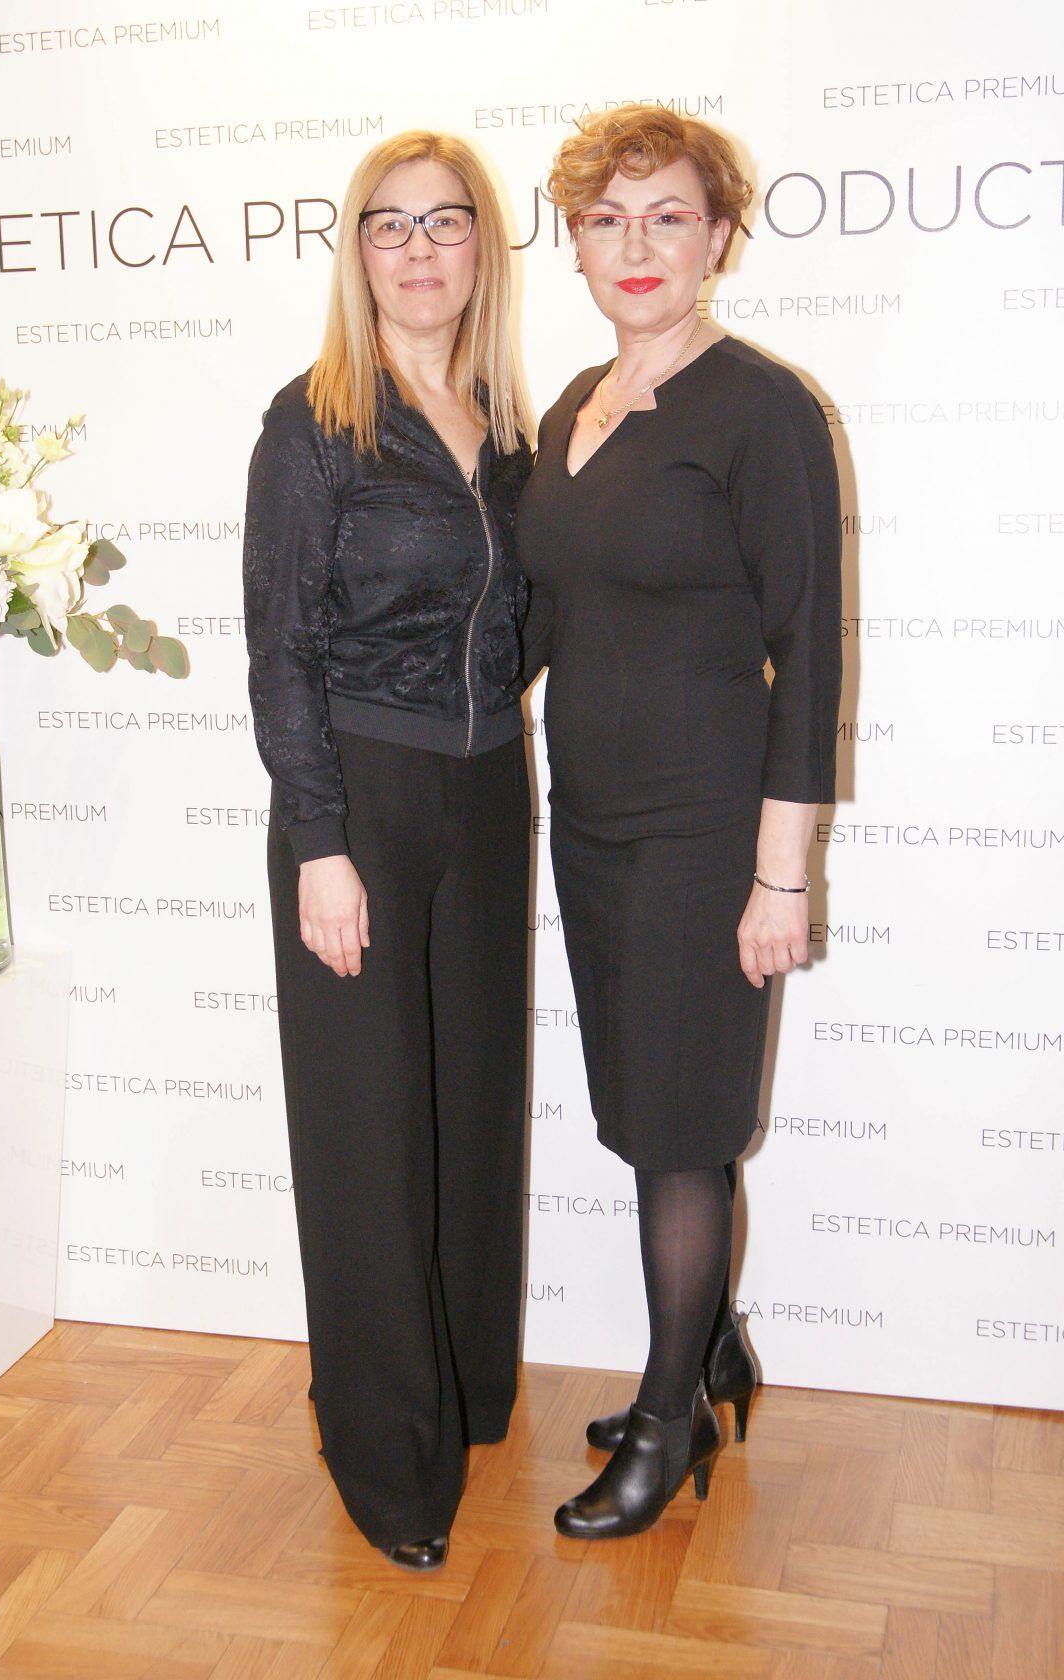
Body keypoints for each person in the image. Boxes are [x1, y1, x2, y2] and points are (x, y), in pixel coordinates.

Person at [517, 104, 842, 1539]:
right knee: (647, 1110)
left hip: (707, 835)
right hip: (588, 823)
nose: (635, 245)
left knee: (678, 1131)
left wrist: (783, 878)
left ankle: (669, 1419)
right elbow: (541, 618)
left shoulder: (763, 409)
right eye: (607, 220)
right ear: (576, 244)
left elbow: (809, 653)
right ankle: (711, 1353)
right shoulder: (571, 408)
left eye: (667, 216)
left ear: (719, 236)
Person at [242, 131, 533, 1571]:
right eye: (389, 226)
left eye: (446, 223)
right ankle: (384, 1461)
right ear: (356, 254)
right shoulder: (315, 421)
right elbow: (280, 647)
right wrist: (320, 841)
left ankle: (467, 1395)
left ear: (485, 249)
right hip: (358, 799)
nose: (420, 251)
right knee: (367, 1139)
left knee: (474, 1112)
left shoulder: (513, 430)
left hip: (491, 794)